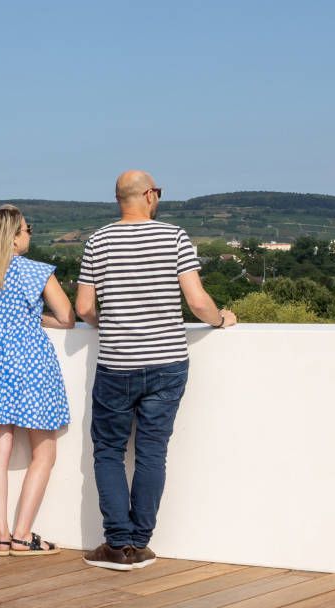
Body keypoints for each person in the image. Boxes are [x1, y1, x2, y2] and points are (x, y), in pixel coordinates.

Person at [75, 170, 236, 570]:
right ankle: (140, 544)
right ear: (149, 195)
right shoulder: (174, 236)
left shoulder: (98, 240)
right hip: (167, 362)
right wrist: (220, 321)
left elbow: (82, 309)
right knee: (152, 452)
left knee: (109, 451)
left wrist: (109, 321)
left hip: (117, 362)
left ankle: (115, 544)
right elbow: (197, 301)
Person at [0, 204, 75, 557]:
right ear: (13, 236)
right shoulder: (36, 272)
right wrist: (34, 320)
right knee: (44, 450)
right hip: (30, 361)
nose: (29, 233)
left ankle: (2, 536)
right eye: (27, 227)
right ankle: (23, 534)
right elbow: (67, 317)